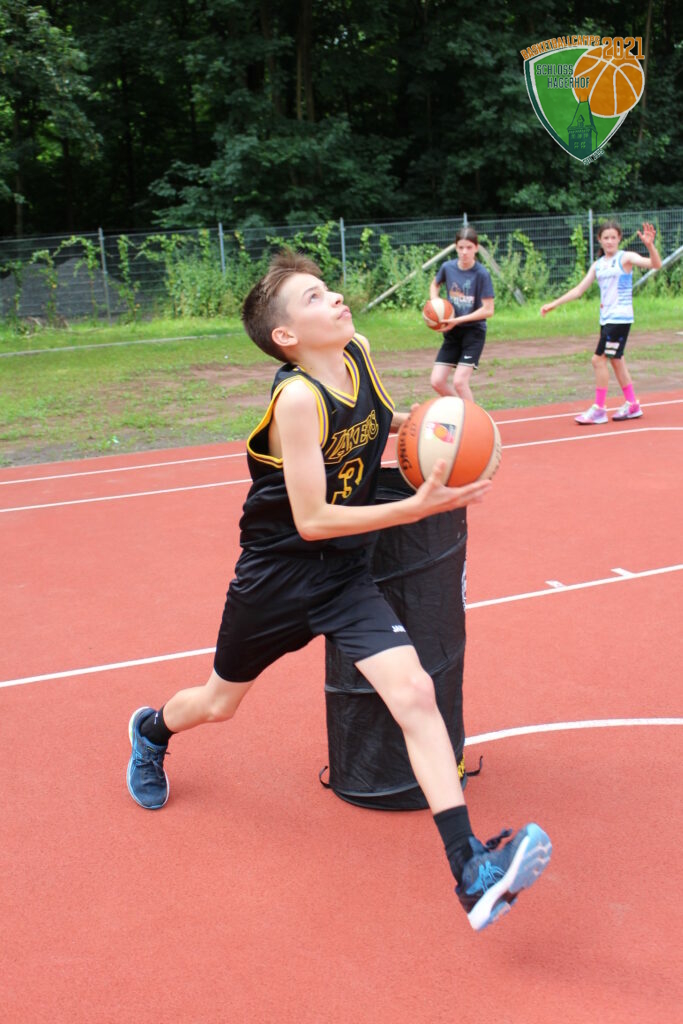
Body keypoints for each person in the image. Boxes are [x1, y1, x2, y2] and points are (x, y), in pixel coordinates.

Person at [126, 250, 551, 932]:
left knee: (415, 693)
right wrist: (414, 508)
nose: (335, 299)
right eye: (314, 298)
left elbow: (380, 426)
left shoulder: (359, 353)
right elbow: (312, 519)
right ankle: (151, 732)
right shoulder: (297, 399)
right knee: (218, 703)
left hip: (344, 576)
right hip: (277, 577)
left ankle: (470, 869)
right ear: (286, 335)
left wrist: (433, 430)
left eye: (328, 289)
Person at [540, 220, 662, 424]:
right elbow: (579, 290)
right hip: (607, 319)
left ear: (619, 238)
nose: (610, 241)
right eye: (606, 238)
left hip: (619, 319)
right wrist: (554, 304)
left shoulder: (626, 258)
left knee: (598, 360)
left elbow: (656, 265)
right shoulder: (598, 265)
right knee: (616, 360)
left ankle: (599, 409)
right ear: (599, 240)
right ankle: (632, 404)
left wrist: (650, 246)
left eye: (613, 237)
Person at [429, 226, 495, 403]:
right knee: (437, 381)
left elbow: (488, 309)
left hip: (473, 333)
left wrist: (457, 320)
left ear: (476, 248)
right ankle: (463, 409)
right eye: (461, 247)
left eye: (469, 247)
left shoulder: (481, 274)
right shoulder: (447, 267)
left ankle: (472, 417)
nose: (464, 252)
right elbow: (435, 284)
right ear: (456, 247)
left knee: (459, 382)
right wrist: (435, 303)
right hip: (452, 333)